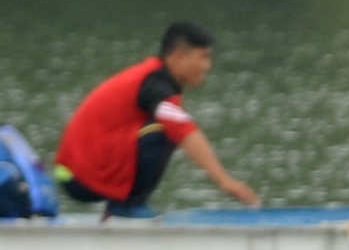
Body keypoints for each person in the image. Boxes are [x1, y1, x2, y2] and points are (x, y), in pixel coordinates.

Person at [55, 22, 260, 215]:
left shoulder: (155, 78)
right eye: (203, 57)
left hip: (79, 171)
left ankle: (124, 205)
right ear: (179, 57)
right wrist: (225, 181)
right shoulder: (155, 84)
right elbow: (185, 131)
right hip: (79, 178)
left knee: (164, 127)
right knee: (163, 131)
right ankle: (128, 207)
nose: (208, 66)